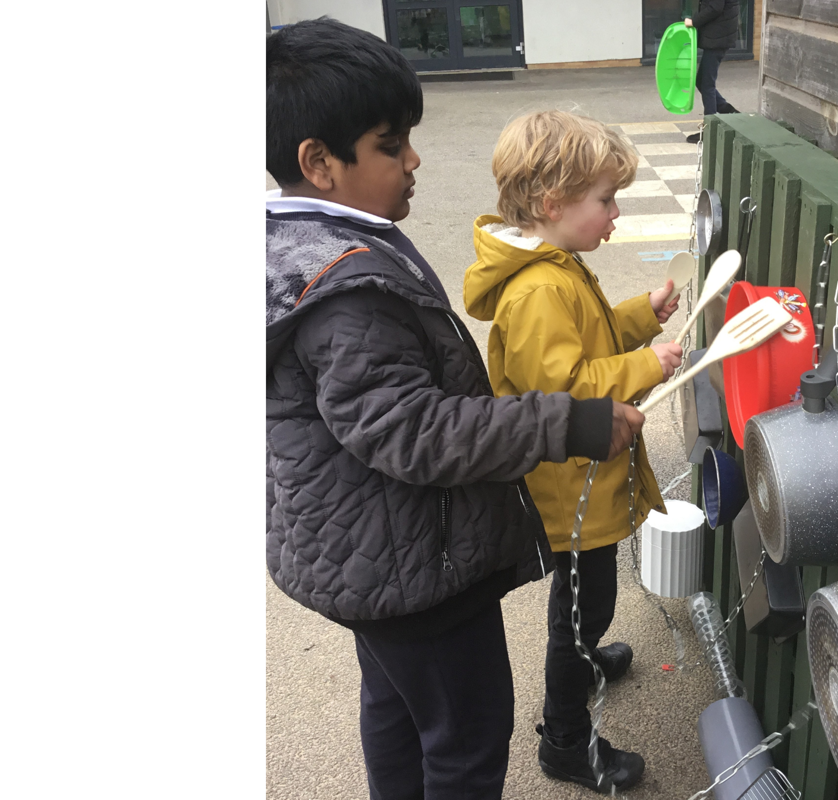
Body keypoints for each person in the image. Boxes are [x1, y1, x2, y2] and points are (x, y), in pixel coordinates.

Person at [266, 20, 645, 800]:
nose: (413, 159)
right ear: (319, 162)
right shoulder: (345, 287)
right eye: (390, 143)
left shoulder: (319, 242)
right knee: (467, 739)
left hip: (368, 553)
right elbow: (413, 429)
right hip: (409, 563)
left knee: (398, 708)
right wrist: (570, 423)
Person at [463, 110, 683, 794]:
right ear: (553, 204)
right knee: (582, 609)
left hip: (584, 480)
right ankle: (564, 737)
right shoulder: (538, 289)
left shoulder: (558, 267)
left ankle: (584, 668)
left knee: (589, 600)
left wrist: (640, 315)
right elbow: (563, 388)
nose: (616, 213)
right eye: (606, 200)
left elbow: (588, 337)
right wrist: (647, 364)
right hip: (569, 491)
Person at [684, 0, 741, 144]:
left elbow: (715, 8)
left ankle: (710, 130)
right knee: (701, 81)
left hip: (719, 37)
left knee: (707, 84)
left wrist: (693, 21)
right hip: (718, 35)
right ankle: (726, 110)